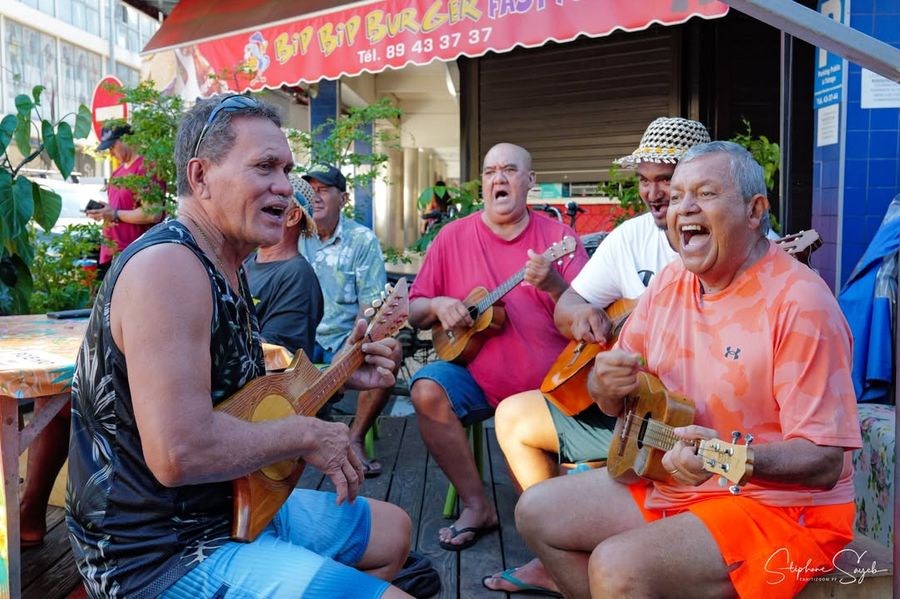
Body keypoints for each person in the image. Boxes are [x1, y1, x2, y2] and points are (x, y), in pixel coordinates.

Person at [66, 94, 413, 598]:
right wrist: (307, 434)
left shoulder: (226, 263)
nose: (286, 186)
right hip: (159, 554)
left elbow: (238, 404)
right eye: (265, 167)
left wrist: (340, 370)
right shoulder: (169, 267)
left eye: (287, 169)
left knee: (394, 531)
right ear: (201, 176)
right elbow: (179, 452)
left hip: (226, 504)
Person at [514, 141, 861, 599]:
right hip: (673, 481)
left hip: (783, 509)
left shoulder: (801, 303)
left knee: (618, 566)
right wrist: (606, 384)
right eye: (677, 196)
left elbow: (824, 460)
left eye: (706, 193)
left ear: (755, 211)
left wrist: (725, 457)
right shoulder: (670, 281)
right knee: (537, 510)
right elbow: (610, 397)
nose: (683, 207)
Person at [483, 117, 711, 595]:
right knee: (514, 416)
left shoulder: (726, 246)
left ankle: (579, 549)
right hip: (625, 409)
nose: (653, 194)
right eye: (644, 180)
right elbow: (569, 304)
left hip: (685, 424)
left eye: (665, 180)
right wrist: (582, 316)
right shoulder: (631, 237)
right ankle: (554, 554)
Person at [407, 143, 589, 551]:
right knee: (426, 389)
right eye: (490, 172)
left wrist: (554, 285)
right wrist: (438, 305)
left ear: (530, 181)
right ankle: (477, 505)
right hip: (475, 377)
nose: (498, 179)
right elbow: (415, 311)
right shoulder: (452, 236)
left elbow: (589, 310)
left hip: (545, 390)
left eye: (509, 170)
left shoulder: (559, 239)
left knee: (547, 520)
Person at [298, 165, 393, 477]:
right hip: (300, 339)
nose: (315, 196)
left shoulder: (361, 240)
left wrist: (350, 350)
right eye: (311, 190)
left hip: (344, 337)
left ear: (344, 198)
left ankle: (354, 437)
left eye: (324, 190)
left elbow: (370, 308)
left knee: (389, 351)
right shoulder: (292, 233)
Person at [245, 174, 323, 356]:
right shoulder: (245, 264)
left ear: (293, 217)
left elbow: (277, 355)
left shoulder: (298, 275)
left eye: (271, 208)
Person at [86, 124, 164, 280]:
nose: (110, 153)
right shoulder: (117, 172)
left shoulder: (146, 167)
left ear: (126, 139)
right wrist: (104, 212)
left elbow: (153, 214)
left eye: (112, 146)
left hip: (136, 255)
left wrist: (115, 214)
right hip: (113, 254)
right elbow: (120, 208)